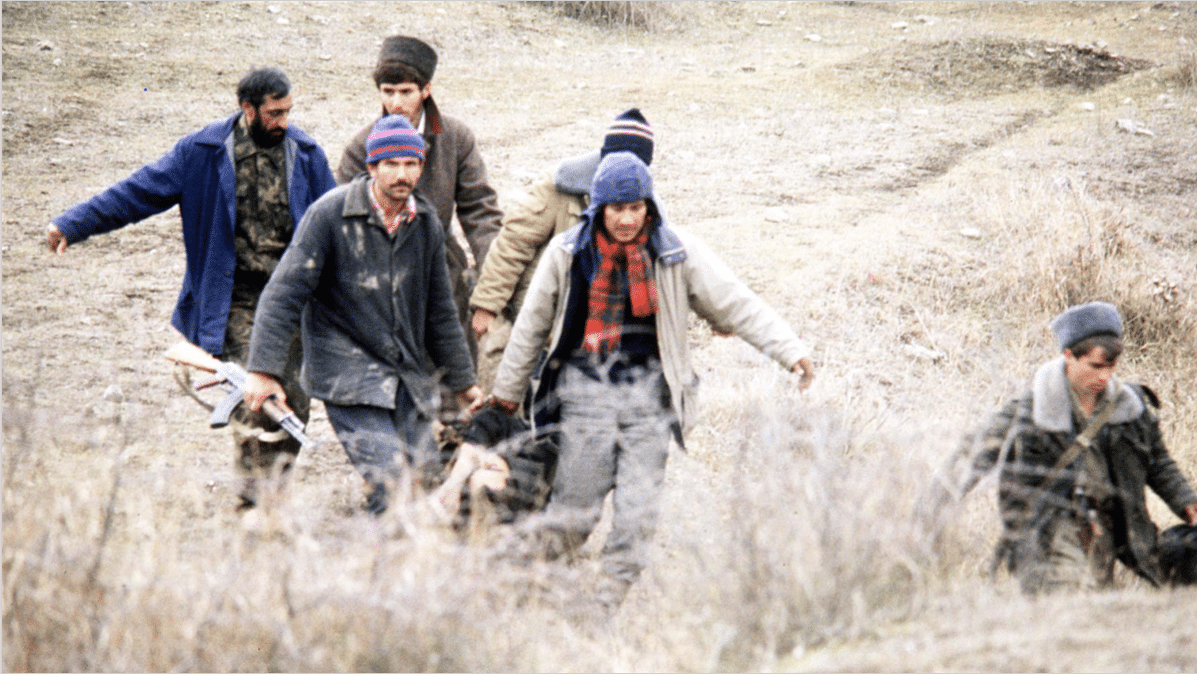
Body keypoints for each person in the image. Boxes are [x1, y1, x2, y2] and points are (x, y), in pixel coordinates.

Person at [485, 151, 816, 608]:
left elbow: (735, 300)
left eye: (636, 207)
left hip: (651, 401)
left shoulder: (675, 251)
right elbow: (531, 328)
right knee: (574, 516)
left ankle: (603, 608)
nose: (626, 219)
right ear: (597, 208)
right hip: (584, 395)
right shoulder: (566, 254)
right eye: (617, 209)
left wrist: (790, 349)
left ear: (649, 207)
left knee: (637, 519)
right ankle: (528, 583)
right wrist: (504, 394)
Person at [45, 67, 338, 508]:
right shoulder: (201, 153)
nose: (283, 121)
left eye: (288, 112)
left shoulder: (307, 155)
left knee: (293, 398)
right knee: (256, 393)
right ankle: (254, 503)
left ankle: (270, 493)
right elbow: (136, 193)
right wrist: (73, 224)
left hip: (290, 298)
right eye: (274, 113)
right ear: (248, 109)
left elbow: (333, 225)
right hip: (233, 297)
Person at [243, 115, 483, 515]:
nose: (402, 174)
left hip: (405, 372)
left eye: (411, 164)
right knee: (391, 481)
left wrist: (463, 383)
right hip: (346, 372)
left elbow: (441, 312)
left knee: (426, 477)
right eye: (391, 164)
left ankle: (396, 559)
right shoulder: (330, 215)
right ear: (371, 167)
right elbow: (283, 294)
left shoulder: (424, 223)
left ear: (422, 168)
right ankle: (375, 568)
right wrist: (263, 371)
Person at [947, 302, 1197, 594]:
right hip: (1051, 528)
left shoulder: (1129, 408)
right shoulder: (1032, 410)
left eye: (1111, 367)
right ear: (1069, 357)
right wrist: (932, 511)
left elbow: (1157, 461)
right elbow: (972, 455)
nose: (1104, 376)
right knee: (1070, 598)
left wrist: (1186, 501)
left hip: (1114, 524)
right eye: (1095, 366)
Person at [335, 35, 502, 361]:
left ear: (426, 90)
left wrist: (493, 289)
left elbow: (481, 213)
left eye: (406, 92)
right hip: (381, 281)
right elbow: (342, 225)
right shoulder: (361, 147)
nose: (396, 102)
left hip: (444, 272)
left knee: (455, 386)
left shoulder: (455, 138)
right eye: (388, 92)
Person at [469, 108, 654, 393]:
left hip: (593, 326)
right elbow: (512, 244)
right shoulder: (560, 189)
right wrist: (487, 306)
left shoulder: (643, 206)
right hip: (537, 314)